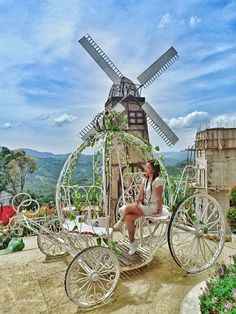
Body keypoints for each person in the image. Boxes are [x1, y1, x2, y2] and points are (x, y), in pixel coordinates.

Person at [114, 159, 163, 255]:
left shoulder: (157, 181)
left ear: (154, 169)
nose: (146, 168)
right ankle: (133, 243)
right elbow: (140, 193)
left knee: (128, 208)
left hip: (153, 207)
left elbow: (159, 197)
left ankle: (121, 221)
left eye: (148, 167)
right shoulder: (145, 179)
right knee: (129, 217)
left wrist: (159, 211)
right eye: (146, 166)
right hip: (144, 205)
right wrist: (136, 202)